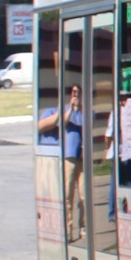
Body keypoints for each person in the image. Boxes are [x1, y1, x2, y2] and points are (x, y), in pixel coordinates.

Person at [39, 85, 87, 239]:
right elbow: (62, 124)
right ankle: (68, 229)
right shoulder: (65, 111)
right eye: (74, 93)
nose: (76, 95)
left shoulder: (85, 112)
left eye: (78, 92)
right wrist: (72, 109)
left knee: (84, 195)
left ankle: (84, 227)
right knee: (68, 195)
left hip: (83, 158)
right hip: (69, 157)